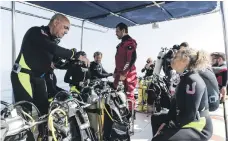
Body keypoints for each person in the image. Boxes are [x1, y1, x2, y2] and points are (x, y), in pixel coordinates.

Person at [10, 13, 89, 140]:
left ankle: (42, 137)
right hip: (23, 75)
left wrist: (75, 63)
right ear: (56, 22)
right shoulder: (36, 32)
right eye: (65, 28)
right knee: (27, 115)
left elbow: (59, 63)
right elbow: (53, 48)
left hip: (39, 78)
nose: (66, 32)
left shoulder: (51, 41)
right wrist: (74, 54)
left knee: (44, 112)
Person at [152, 48, 213, 141]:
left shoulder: (192, 80)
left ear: (185, 60)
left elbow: (190, 115)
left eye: (175, 57)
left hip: (199, 126)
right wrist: (166, 122)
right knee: (156, 118)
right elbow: (174, 105)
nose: (171, 59)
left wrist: (169, 128)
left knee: (160, 139)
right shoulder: (185, 78)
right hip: (185, 120)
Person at [103, 22, 137, 140]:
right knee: (116, 97)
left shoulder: (129, 43)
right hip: (119, 75)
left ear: (123, 30)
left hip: (128, 75)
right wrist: (116, 73)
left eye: (117, 31)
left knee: (128, 97)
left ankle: (127, 121)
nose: (116, 33)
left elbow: (131, 59)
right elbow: (119, 62)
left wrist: (124, 73)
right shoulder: (121, 44)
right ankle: (117, 120)